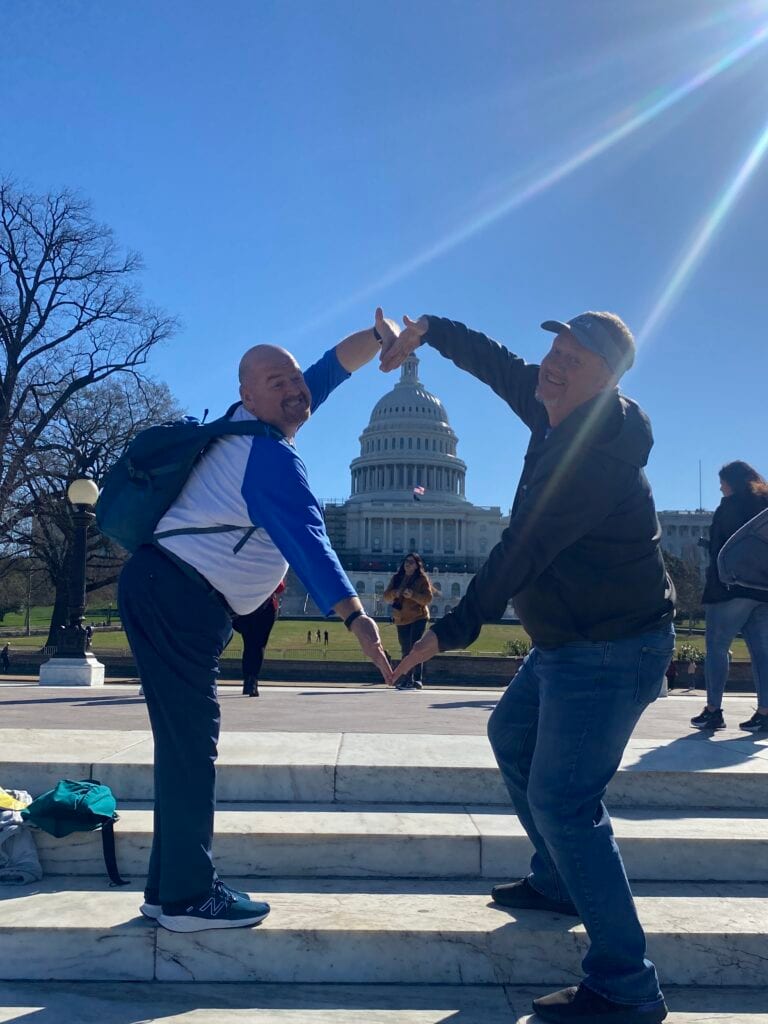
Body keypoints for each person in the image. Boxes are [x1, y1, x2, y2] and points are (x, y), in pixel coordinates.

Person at [382, 310, 675, 1024]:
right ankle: (559, 880)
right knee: (511, 737)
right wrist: (431, 331)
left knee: (565, 802)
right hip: (567, 639)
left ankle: (627, 986)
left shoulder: (595, 458)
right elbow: (496, 362)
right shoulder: (553, 401)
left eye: (576, 358)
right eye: (557, 348)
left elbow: (520, 550)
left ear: (607, 381)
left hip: (610, 646)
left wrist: (448, 631)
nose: (555, 362)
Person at [118, 312, 394, 934]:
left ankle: (168, 891)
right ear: (247, 393)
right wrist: (355, 617)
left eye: (295, 379)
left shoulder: (248, 421)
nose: (296, 389)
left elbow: (327, 371)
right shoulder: (267, 457)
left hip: (168, 591)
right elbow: (309, 542)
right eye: (278, 382)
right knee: (191, 750)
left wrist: (378, 339)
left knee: (184, 748)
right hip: (178, 597)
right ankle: (189, 898)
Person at [690, 461, 768, 733]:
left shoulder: (730, 506)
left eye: (722, 483)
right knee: (762, 653)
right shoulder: (765, 506)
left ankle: (713, 711)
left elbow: (719, 547)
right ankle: (765, 712)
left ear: (732, 482)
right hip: (763, 590)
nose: (720, 488)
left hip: (731, 588)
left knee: (717, 647)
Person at [383, 553, 434, 690]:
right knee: (405, 649)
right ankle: (408, 679)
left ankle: (415, 679)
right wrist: (395, 593)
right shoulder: (397, 578)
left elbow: (428, 599)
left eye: (411, 562)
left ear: (417, 565)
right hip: (401, 618)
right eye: (406, 561)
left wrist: (413, 595)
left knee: (415, 647)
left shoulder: (422, 579)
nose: (408, 564)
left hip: (418, 617)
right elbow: (386, 596)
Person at [232, 580, 285, 697]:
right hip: (264, 608)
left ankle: (248, 681)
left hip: (246, 608)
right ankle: (252, 681)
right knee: (259, 645)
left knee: (249, 645)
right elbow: (280, 587)